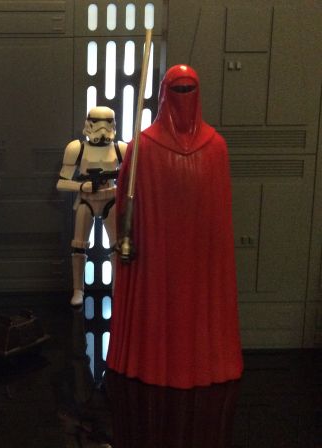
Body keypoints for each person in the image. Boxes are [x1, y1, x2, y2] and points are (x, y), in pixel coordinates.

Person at [108, 65, 243, 388]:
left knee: (197, 305)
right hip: (156, 250)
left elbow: (220, 212)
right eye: (177, 90)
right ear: (163, 95)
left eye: (189, 90)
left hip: (199, 252)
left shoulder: (215, 147)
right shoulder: (142, 147)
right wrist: (126, 236)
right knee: (157, 305)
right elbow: (125, 201)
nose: (183, 97)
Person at [57, 107, 126, 305]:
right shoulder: (77, 149)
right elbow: (61, 183)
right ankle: (78, 290)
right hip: (86, 199)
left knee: (116, 247)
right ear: (89, 123)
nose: (102, 129)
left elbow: (132, 179)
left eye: (107, 123)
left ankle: (117, 289)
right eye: (97, 123)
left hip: (110, 198)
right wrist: (82, 186)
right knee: (79, 246)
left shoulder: (120, 149)